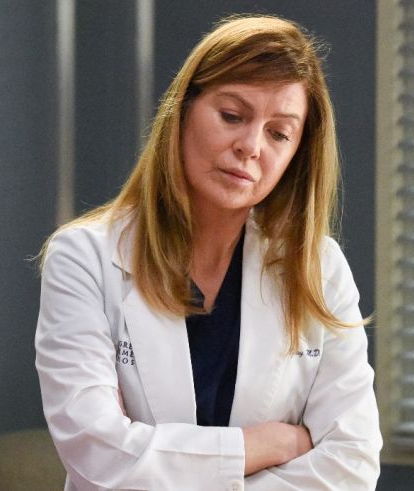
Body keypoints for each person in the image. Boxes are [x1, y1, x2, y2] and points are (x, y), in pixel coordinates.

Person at [35, 15, 382, 491]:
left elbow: (351, 464)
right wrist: (266, 445)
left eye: (279, 133)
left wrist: (161, 458)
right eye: (232, 116)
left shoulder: (319, 267)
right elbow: (98, 453)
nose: (250, 147)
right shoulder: (85, 258)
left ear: (297, 154)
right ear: (183, 111)